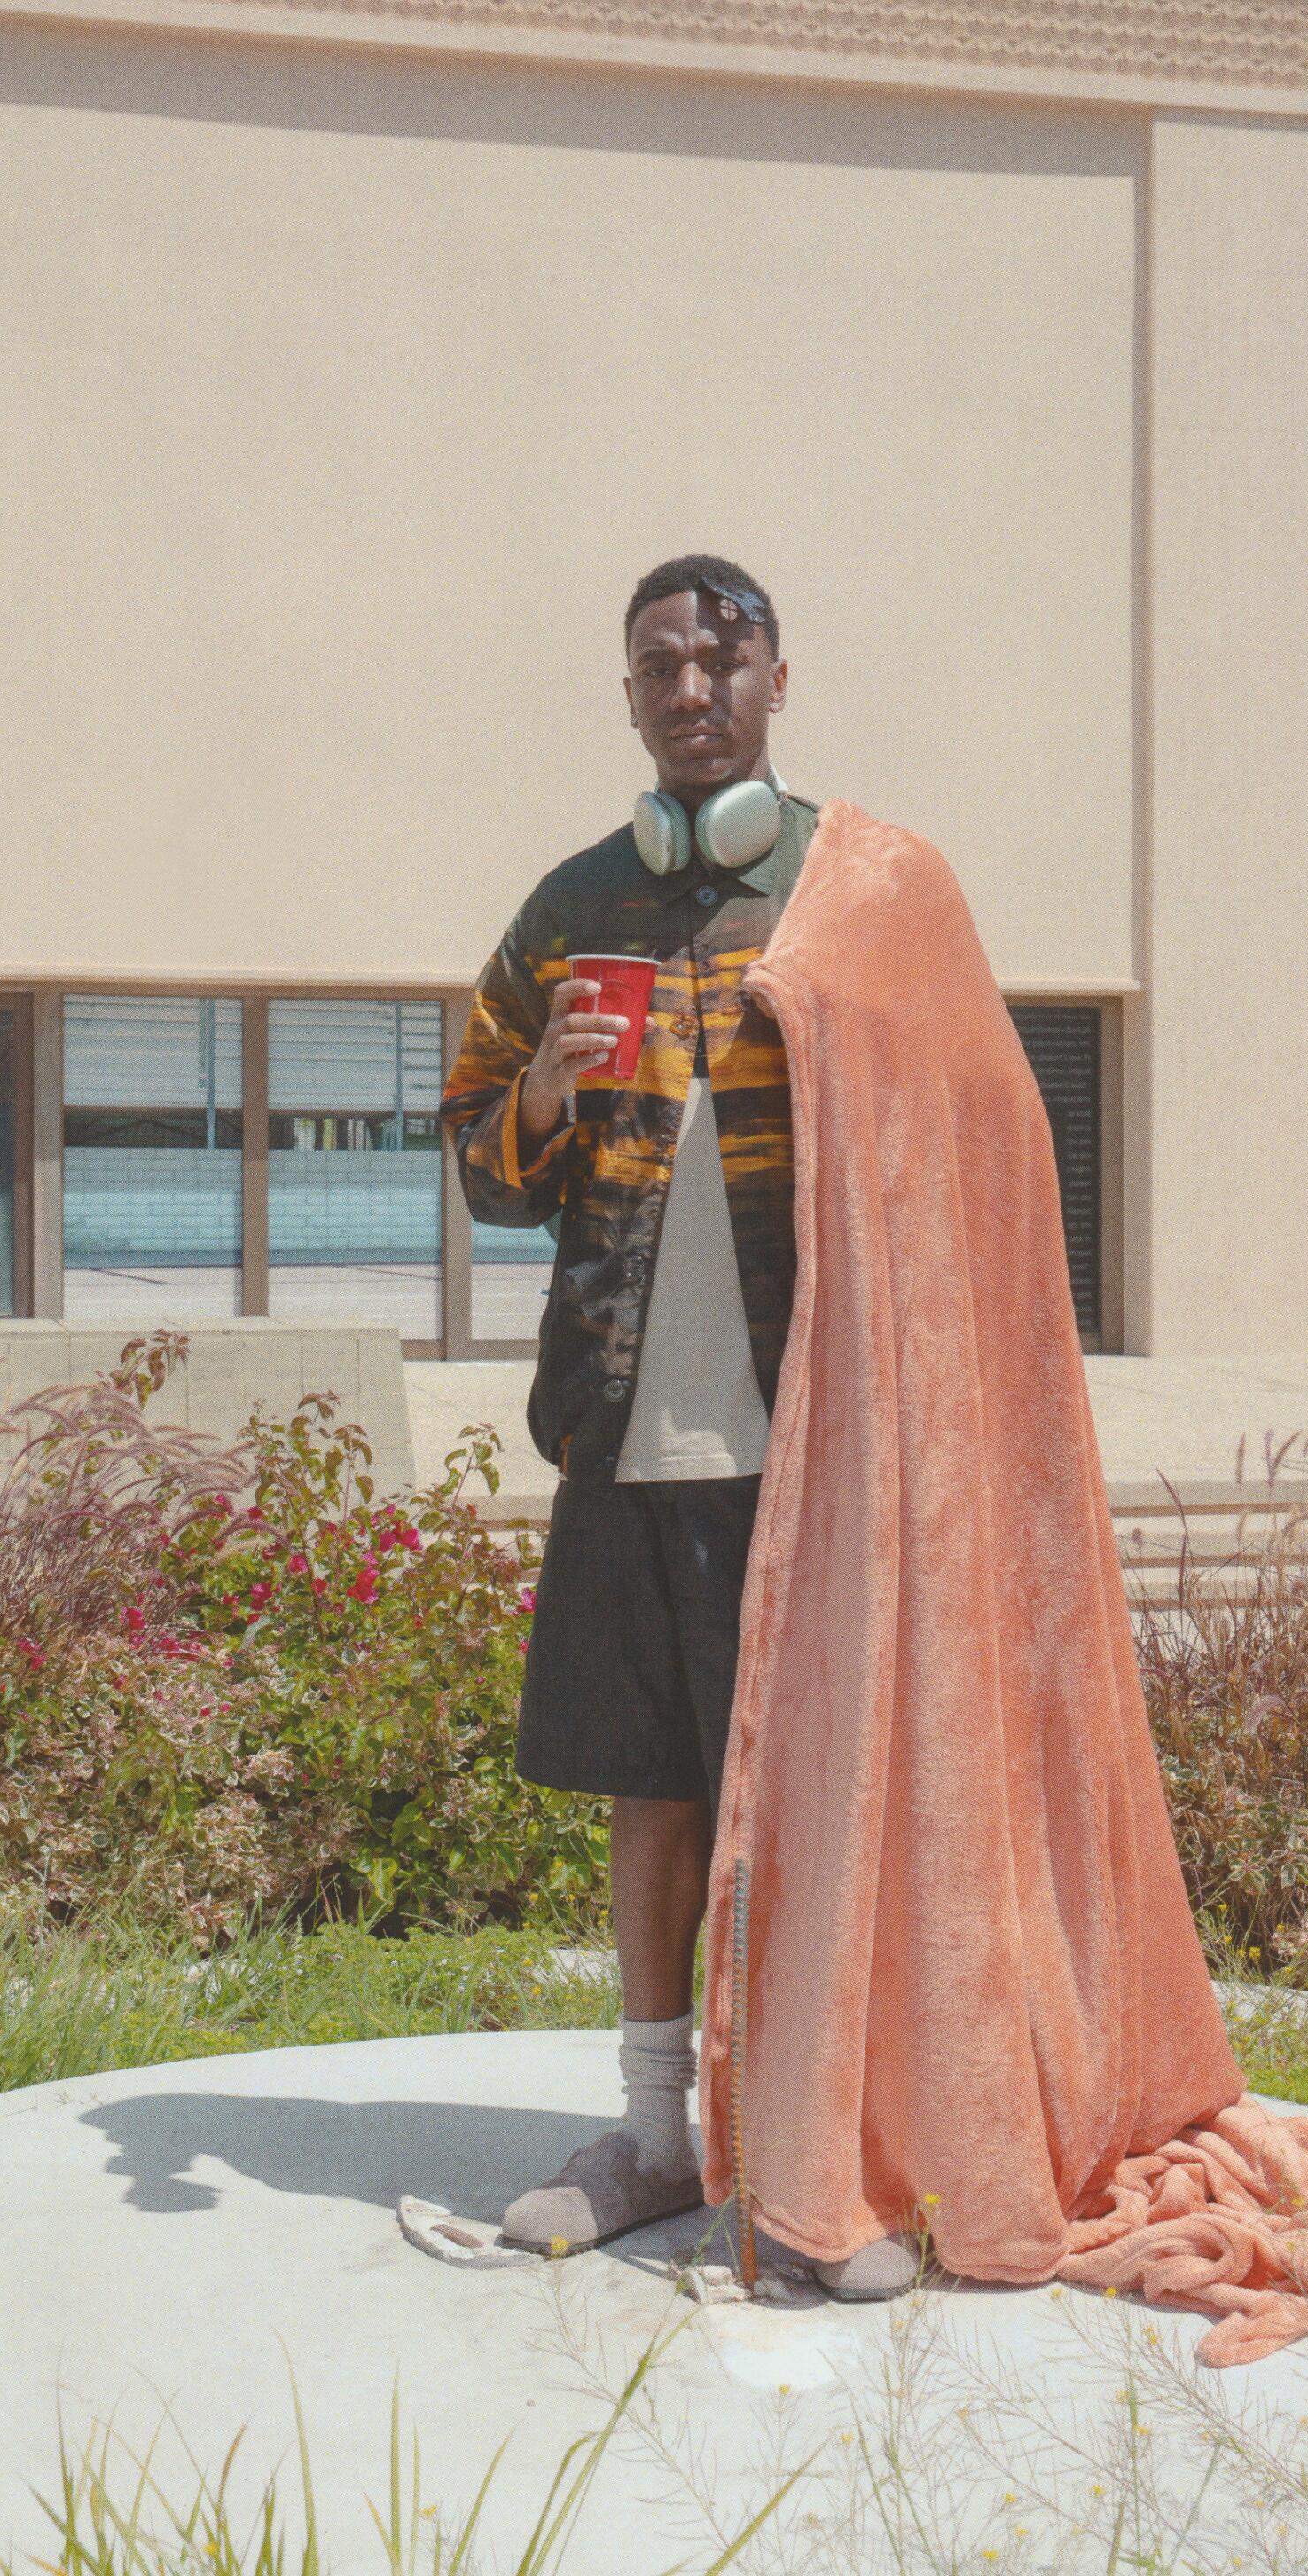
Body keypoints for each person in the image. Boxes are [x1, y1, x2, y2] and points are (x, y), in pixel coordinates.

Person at [440, 555, 910, 2300]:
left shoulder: (854, 896)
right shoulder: (569, 907)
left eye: (722, 657)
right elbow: (479, 1148)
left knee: (806, 1798)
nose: (691, 684)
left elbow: (954, 1123)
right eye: (659, 663)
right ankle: (654, 2131)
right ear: (628, 696)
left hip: (814, 1434)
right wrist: (549, 1087)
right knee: (651, 1786)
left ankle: (805, 2154)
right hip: (625, 1419)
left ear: (780, 679)